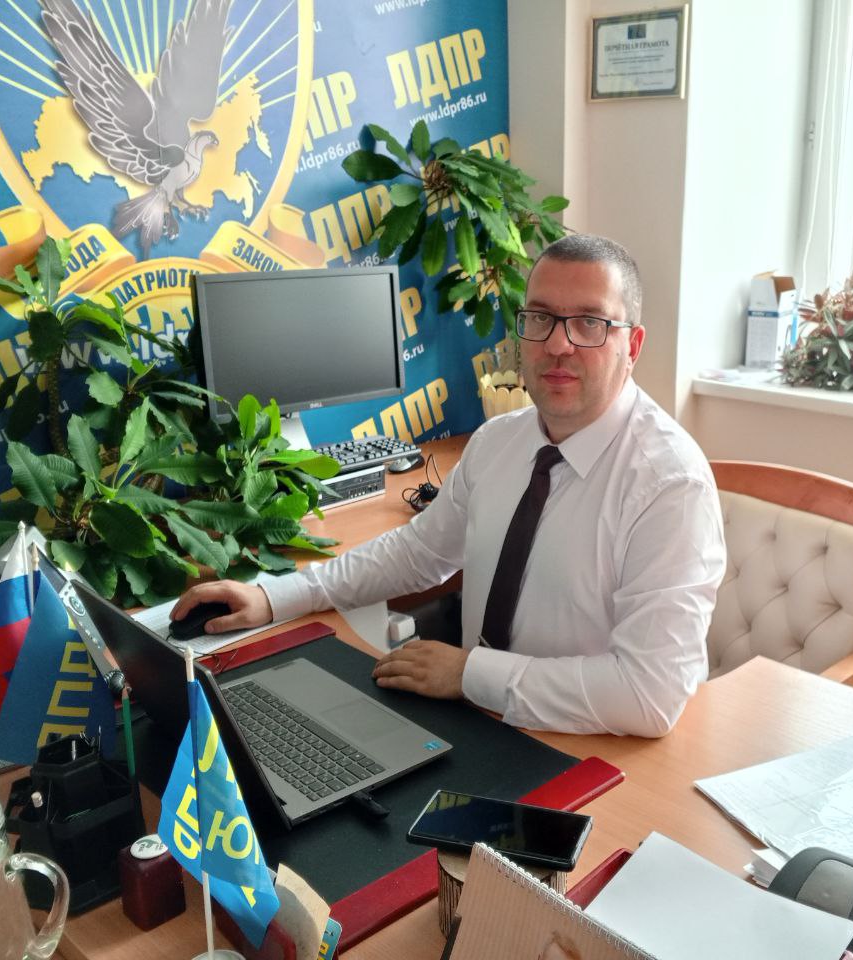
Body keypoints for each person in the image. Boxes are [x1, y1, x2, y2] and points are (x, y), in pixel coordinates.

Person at [172, 234, 726, 737]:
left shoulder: (669, 484)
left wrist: (470, 674)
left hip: (594, 749)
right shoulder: (499, 440)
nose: (559, 344)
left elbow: (649, 695)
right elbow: (418, 553)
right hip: (477, 724)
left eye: (589, 323)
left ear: (633, 346)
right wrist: (277, 596)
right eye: (540, 317)